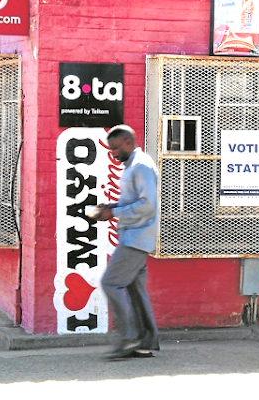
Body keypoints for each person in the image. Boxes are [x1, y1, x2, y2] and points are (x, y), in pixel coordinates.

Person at [97, 125, 160, 359]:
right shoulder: (133, 165)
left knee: (110, 283)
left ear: (127, 142)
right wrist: (112, 207)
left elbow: (147, 205)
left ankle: (128, 338)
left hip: (136, 238)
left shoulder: (141, 166)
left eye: (115, 148)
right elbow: (134, 200)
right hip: (134, 237)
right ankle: (144, 343)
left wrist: (114, 213)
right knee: (136, 292)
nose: (113, 153)